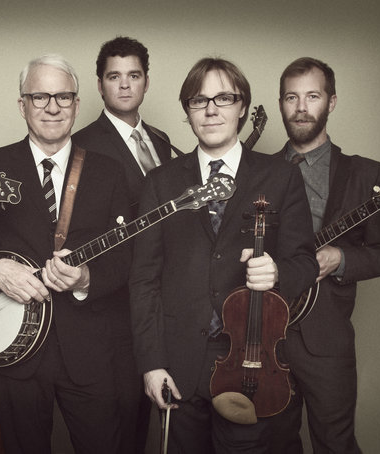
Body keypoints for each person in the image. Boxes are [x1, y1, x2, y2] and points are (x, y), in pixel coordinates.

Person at [0, 54, 131, 454]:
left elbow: (128, 257)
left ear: (77, 105)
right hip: (15, 349)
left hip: (91, 351)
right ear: (22, 104)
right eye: (40, 96)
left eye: (63, 96)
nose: (52, 107)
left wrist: (87, 279)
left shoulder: (109, 171)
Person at [129, 57, 319, 453]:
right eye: (199, 101)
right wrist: (152, 362)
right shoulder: (161, 183)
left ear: (243, 107)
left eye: (224, 98)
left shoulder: (280, 176)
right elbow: (144, 278)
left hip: (251, 360)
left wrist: (277, 272)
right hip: (179, 363)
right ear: (188, 111)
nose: (211, 109)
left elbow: (305, 263)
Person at [268, 57, 380, 453]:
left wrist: (339, 259)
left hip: (326, 340)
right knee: (271, 444)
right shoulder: (256, 171)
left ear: (332, 101)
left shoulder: (365, 174)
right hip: (262, 338)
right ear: (280, 103)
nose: (301, 107)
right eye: (291, 97)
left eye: (312, 96)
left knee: (336, 445)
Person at [72, 35, 174, 453]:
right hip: (112, 303)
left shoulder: (163, 140)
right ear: (100, 85)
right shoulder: (80, 147)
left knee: (157, 412)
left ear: (147, 82)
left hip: (164, 295)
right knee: (117, 421)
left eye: (134, 75)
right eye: (115, 77)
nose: (125, 85)